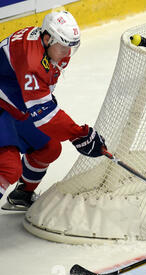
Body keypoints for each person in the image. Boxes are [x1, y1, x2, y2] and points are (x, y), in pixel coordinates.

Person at [0, 11, 106, 210]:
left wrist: (73, 133)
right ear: (47, 39)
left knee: (50, 147)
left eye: (71, 48)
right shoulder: (32, 60)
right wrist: (79, 134)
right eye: (64, 47)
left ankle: (22, 195)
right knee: (8, 167)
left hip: (14, 105)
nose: (67, 54)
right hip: (5, 107)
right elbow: (44, 115)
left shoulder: (47, 47)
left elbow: (42, 102)